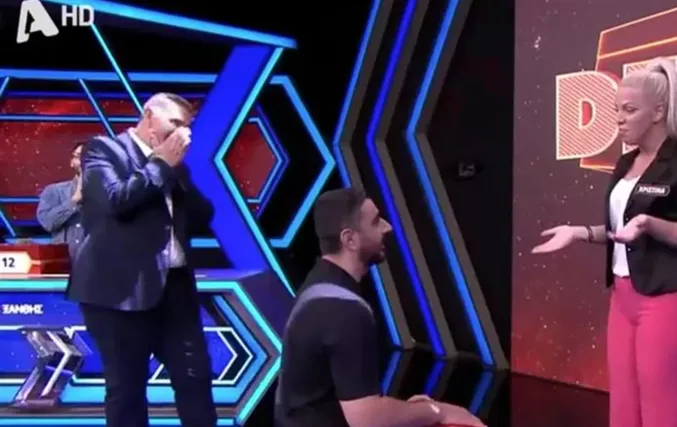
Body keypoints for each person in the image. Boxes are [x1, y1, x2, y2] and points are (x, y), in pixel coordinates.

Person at [532, 57, 677, 427]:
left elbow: (643, 226)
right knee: (624, 406)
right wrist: (580, 232)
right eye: (616, 110)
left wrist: (650, 224)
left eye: (630, 110)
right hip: (622, 298)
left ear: (658, 112)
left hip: (663, 299)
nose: (619, 119)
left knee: (660, 407)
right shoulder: (625, 164)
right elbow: (620, 230)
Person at [275, 188, 485, 427]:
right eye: (376, 222)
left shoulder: (317, 285)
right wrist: (436, 411)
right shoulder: (345, 310)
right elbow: (367, 419)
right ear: (350, 239)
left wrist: (409, 411)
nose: (388, 227)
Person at [67, 93, 217, 427]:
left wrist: (176, 173)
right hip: (120, 293)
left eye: (187, 127)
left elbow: (204, 216)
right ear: (148, 117)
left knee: (196, 380)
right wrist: (160, 164)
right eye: (175, 123)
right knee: (127, 390)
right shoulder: (103, 150)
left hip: (175, 290)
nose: (183, 134)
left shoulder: (175, 167)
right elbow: (116, 201)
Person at [36, 142, 85, 258]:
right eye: (79, 156)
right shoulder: (54, 191)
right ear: (72, 162)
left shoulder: (111, 194)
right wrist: (74, 201)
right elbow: (48, 223)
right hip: (63, 263)